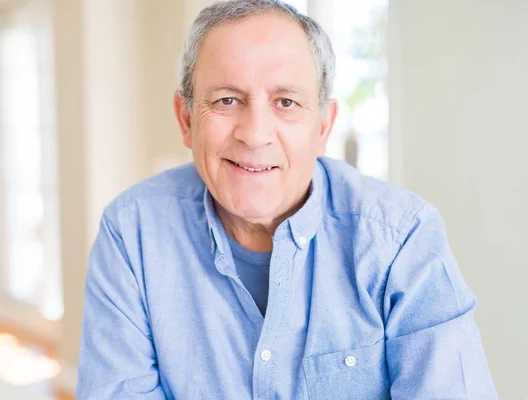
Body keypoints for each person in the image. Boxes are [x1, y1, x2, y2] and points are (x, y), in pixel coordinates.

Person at [77, 0, 497, 398]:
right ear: (187, 120)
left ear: (323, 126)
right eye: (227, 100)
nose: (255, 133)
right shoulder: (131, 234)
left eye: (286, 102)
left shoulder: (403, 238)